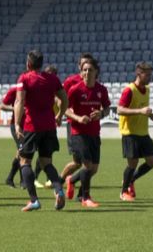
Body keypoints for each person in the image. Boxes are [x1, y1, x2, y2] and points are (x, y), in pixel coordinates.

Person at [14, 49, 68, 212]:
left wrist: (17, 124)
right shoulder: (53, 79)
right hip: (49, 127)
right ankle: (58, 190)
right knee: (46, 163)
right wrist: (60, 115)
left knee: (24, 161)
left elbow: (19, 101)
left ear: (28, 64)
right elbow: (64, 99)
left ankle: (34, 200)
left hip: (32, 127)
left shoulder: (24, 78)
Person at [63, 57, 110, 208]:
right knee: (87, 165)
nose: (87, 72)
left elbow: (108, 108)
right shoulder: (75, 90)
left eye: (90, 70)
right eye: (84, 70)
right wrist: (78, 117)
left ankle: (71, 180)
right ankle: (85, 197)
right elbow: (66, 110)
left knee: (94, 169)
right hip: (78, 133)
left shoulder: (101, 90)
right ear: (81, 73)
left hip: (94, 133)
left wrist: (101, 114)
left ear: (96, 72)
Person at [118, 61, 153, 201]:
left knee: (152, 161)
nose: (149, 77)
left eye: (150, 75)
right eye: (147, 75)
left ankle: (130, 180)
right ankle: (123, 192)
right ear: (138, 74)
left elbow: (144, 110)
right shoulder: (129, 90)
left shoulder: (147, 89)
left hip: (143, 133)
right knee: (132, 164)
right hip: (130, 133)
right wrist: (140, 111)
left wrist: (151, 116)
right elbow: (119, 110)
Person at [60, 53, 97, 185]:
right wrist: (72, 114)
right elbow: (59, 99)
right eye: (83, 65)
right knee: (79, 162)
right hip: (74, 125)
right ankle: (61, 180)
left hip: (90, 128)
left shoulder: (94, 83)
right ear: (79, 67)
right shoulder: (71, 81)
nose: (86, 69)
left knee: (88, 164)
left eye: (89, 65)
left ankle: (69, 181)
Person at [0, 84, 22, 188]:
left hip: (29, 125)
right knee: (23, 151)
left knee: (22, 152)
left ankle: (11, 178)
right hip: (16, 125)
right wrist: (16, 108)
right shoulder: (15, 90)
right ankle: (23, 181)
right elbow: (3, 105)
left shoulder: (33, 90)